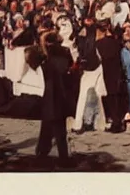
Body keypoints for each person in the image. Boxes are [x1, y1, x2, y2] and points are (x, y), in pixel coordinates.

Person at [35, 32, 74, 167]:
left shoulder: (44, 56)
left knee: (46, 128)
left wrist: (43, 39)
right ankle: (63, 157)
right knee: (60, 130)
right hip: (61, 95)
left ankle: (41, 153)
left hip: (49, 94)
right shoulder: (65, 53)